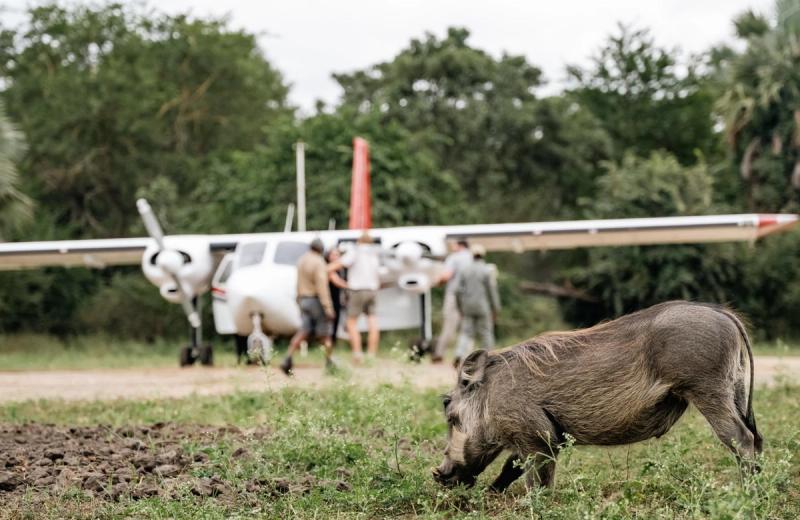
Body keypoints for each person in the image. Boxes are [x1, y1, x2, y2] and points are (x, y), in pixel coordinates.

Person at [280, 238, 336, 376]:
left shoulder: (301, 260)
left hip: (303, 300)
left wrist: (299, 301)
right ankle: (329, 362)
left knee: (303, 331)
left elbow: (298, 283)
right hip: (316, 300)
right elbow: (321, 285)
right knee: (325, 334)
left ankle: (287, 357)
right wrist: (328, 307)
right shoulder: (318, 262)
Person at [453, 244, 501, 368]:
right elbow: (492, 290)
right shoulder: (487, 270)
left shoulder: (465, 270)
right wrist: (496, 308)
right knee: (485, 332)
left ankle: (459, 354)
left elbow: (457, 290)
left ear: (472, 255)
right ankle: (488, 357)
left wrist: (460, 307)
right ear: (483, 255)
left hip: (467, 306)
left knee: (466, 332)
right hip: (482, 306)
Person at [337, 232, 381, 363]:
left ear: (359, 241)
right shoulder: (374, 254)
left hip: (357, 290)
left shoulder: (355, 251)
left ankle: (357, 354)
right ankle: (371, 355)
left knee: (351, 323)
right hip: (372, 290)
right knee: (372, 322)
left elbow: (341, 263)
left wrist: (326, 269)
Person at [432, 239, 473, 363]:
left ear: (459, 245)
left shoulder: (454, 258)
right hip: (470, 296)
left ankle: (439, 353)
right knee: (467, 326)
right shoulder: (472, 257)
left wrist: (436, 281)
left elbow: (447, 276)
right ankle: (466, 355)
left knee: (449, 325)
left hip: (454, 295)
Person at [325, 247, 349, 347]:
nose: (335, 257)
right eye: (333, 255)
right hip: (330, 300)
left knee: (336, 322)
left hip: (338, 300)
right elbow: (337, 282)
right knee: (330, 323)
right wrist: (353, 286)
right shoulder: (329, 268)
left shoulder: (341, 269)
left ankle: (332, 344)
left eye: (337, 255)